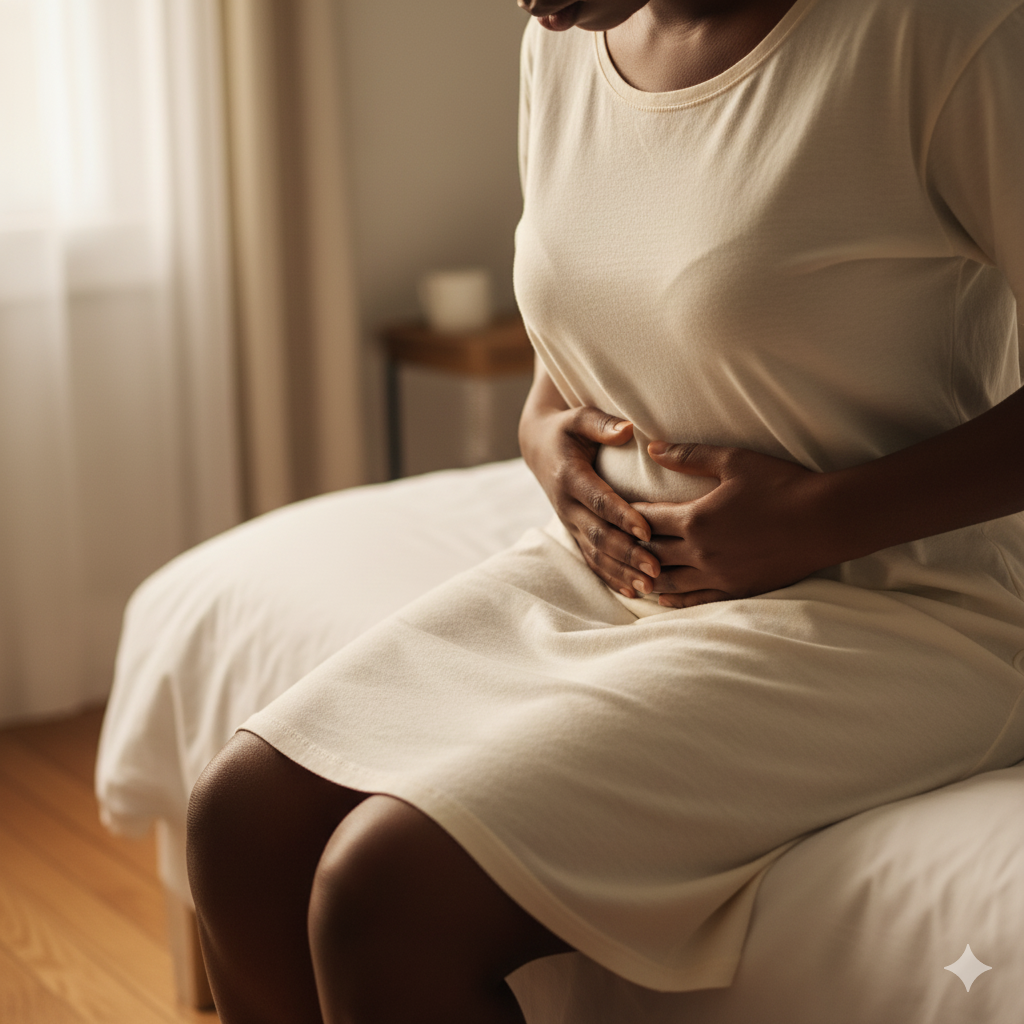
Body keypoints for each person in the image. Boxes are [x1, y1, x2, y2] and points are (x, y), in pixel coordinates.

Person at [186, 0, 1024, 1021]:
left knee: (385, 892)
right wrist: (543, 441)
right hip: (614, 579)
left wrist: (818, 520)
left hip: (899, 607)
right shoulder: (565, 42)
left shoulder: (939, 35)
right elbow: (582, 322)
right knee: (237, 820)